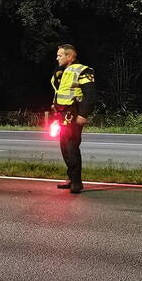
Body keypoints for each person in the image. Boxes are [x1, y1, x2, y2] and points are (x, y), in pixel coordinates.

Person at [51, 44, 96, 194]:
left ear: (69, 56)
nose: (57, 58)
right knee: (64, 147)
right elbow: (60, 91)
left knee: (71, 147)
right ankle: (71, 178)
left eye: (60, 55)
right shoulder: (62, 71)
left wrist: (83, 114)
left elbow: (90, 94)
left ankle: (76, 182)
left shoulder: (83, 70)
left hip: (74, 114)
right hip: (62, 114)